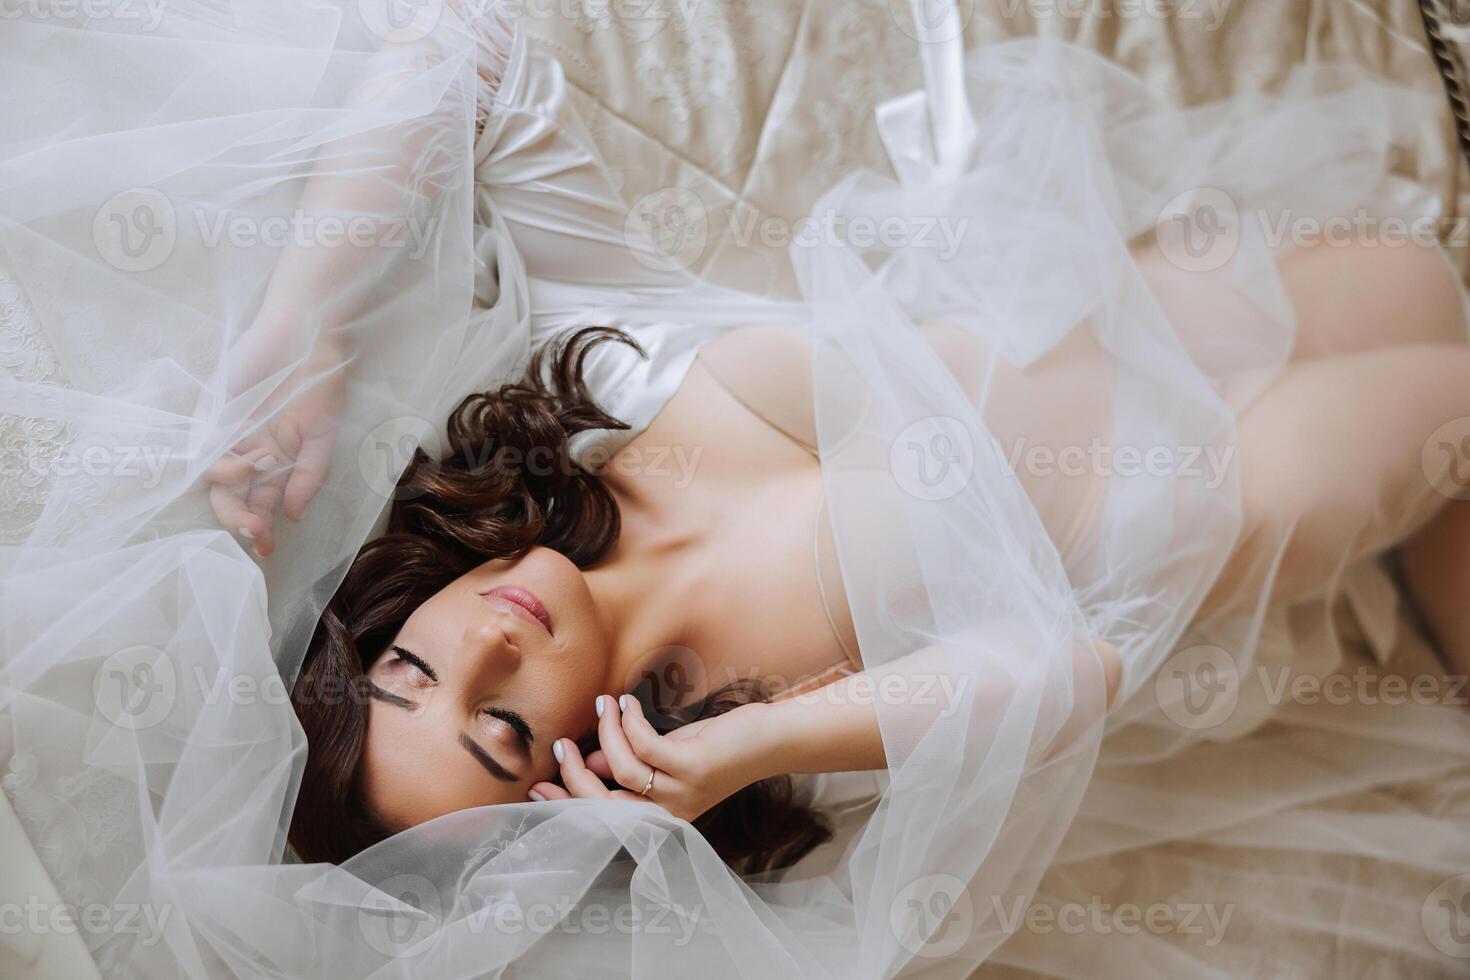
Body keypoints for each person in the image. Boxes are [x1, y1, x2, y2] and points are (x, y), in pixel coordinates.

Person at [195, 5, 1470, 878]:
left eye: (417, 661)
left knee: (1427, 270)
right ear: (565, 783)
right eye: (504, 725)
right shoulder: (750, 713)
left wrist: (309, 314)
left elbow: (466, 47)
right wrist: (741, 750)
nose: (492, 639)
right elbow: (1069, 666)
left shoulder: (619, 383)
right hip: (1233, 489)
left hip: (1159, 305)